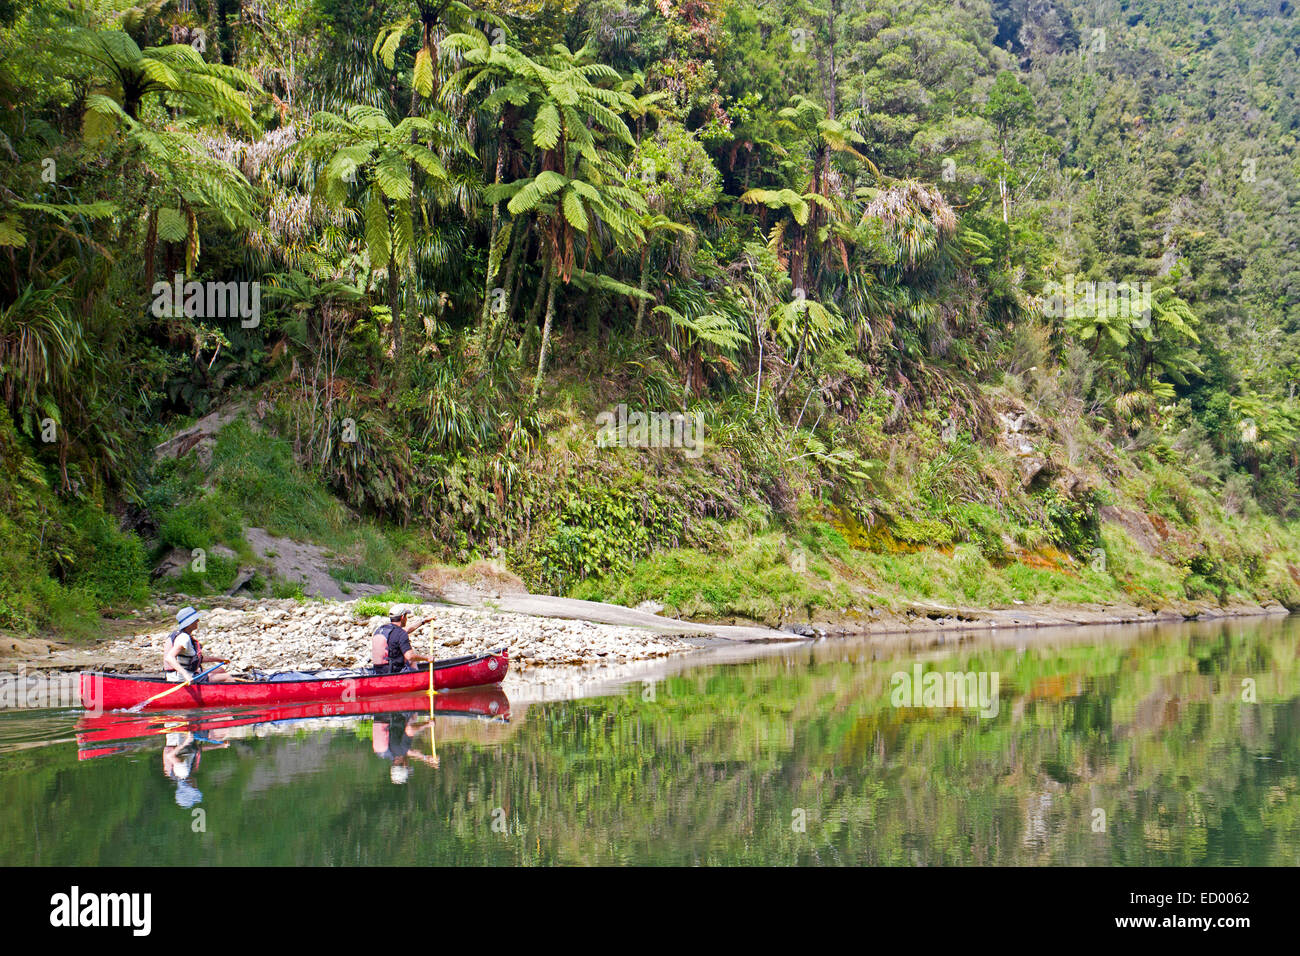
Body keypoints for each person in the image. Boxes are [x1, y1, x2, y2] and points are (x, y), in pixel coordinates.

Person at [163, 606, 235, 683]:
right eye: (195, 619)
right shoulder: (184, 638)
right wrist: (185, 674)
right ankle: (236, 694)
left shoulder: (182, 635)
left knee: (220, 670)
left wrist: (218, 659)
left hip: (184, 674)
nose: (198, 621)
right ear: (189, 623)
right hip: (182, 678)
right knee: (227, 677)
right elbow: (169, 657)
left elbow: (195, 659)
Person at [371, 711, 439, 782]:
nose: (408, 764)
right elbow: (410, 752)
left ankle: (415, 706)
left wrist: (427, 724)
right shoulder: (391, 753)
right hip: (380, 715)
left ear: (404, 765)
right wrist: (424, 758)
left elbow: (410, 729)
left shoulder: (402, 750)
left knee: (413, 719)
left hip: (398, 712)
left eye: (408, 766)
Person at [371, 605, 434, 675]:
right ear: (402, 617)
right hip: (393, 672)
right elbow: (410, 656)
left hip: (378, 671)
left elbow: (406, 629)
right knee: (411, 660)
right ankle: (417, 680)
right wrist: (427, 658)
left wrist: (423, 621)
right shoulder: (400, 633)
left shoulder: (381, 629)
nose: (406, 619)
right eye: (406, 616)